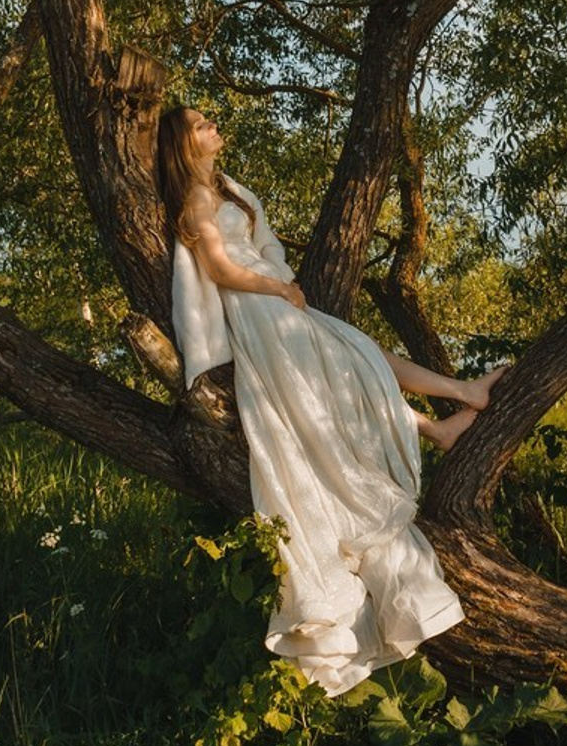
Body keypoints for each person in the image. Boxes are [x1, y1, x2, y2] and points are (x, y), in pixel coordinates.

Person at [157, 106, 504, 695]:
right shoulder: (193, 195)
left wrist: (281, 285)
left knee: (355, 364)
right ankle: (448, 412)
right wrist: (275, 287)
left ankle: (451, 407)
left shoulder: (221, 188)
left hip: (276, 304)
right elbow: (217, 266)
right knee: (353, 367)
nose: (214, 124)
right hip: (259, 310)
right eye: (201, 123)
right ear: (184, 143)